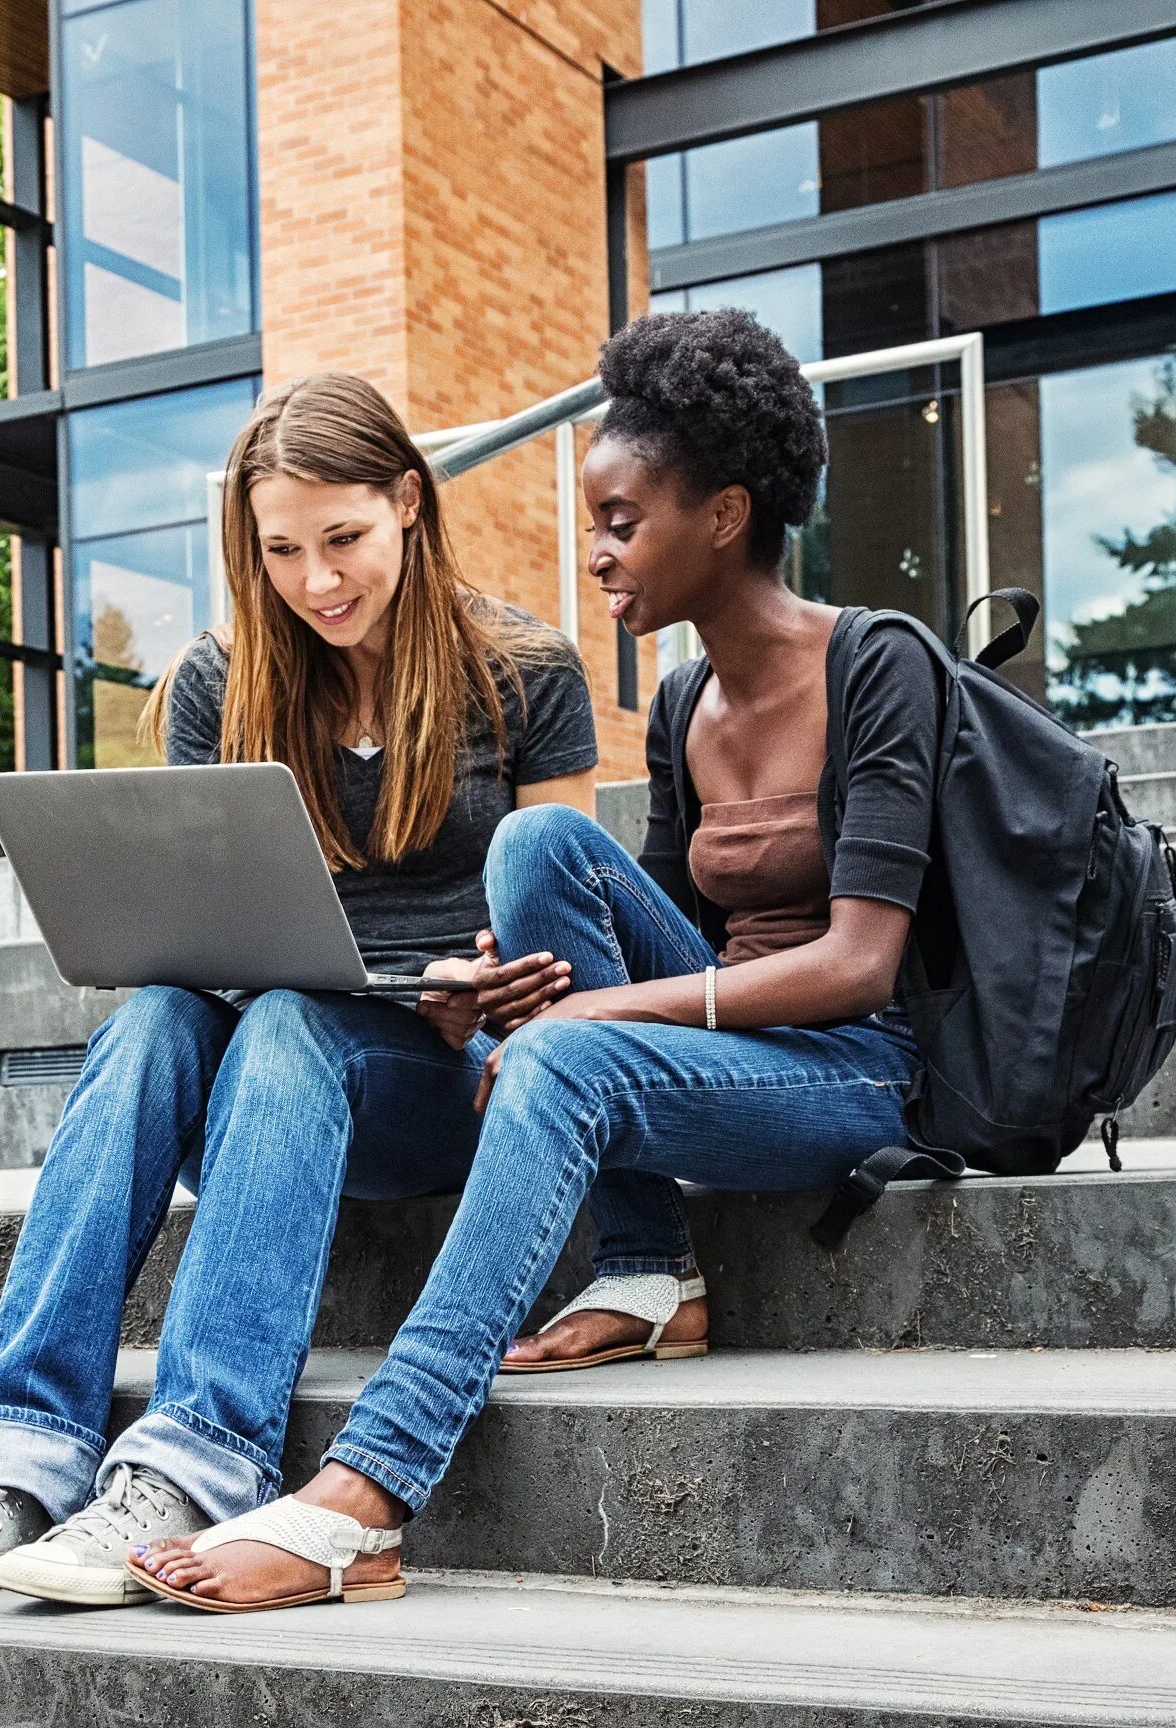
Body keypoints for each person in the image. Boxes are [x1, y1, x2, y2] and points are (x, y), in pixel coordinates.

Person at [132, 306, 943, 1612]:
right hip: (723, 1037)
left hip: (854, 1064)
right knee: (538, 858)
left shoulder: (878, 667)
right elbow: (648, 923)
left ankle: (364, 1499)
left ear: (725, 515)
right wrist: (497, 995)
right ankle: (652, 1264)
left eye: (622, 522)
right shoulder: (681, 703)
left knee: (561, 1042)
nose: (595, 551)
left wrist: (580, 1024)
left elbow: (858, 966)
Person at [0, 370, 600, 1606]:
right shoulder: (223, 682)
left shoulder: (526, 670)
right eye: (283, 550)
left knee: (284, 1024)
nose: (319, 581)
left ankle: (192, 1470)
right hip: (271, 1080)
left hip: (445, 1081)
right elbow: (196, 931)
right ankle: (8, 1459)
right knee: (165, 1012)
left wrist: (483, 986)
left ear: (410, 506)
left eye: (345, 540)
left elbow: (564, 938)